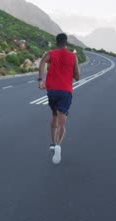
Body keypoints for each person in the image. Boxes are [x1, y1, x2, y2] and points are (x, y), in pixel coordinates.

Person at [38, 33, 80, 164]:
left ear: (57, 42)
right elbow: (77, 77)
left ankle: (52, 143)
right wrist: (75, 60)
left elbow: (42, 61)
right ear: (66, 43)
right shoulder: (73, 56)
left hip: (52, 90)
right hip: (66, 91)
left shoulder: (51, 53)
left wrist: (40, 80)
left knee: (54, 115)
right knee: (63, 121)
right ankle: (58, 145)